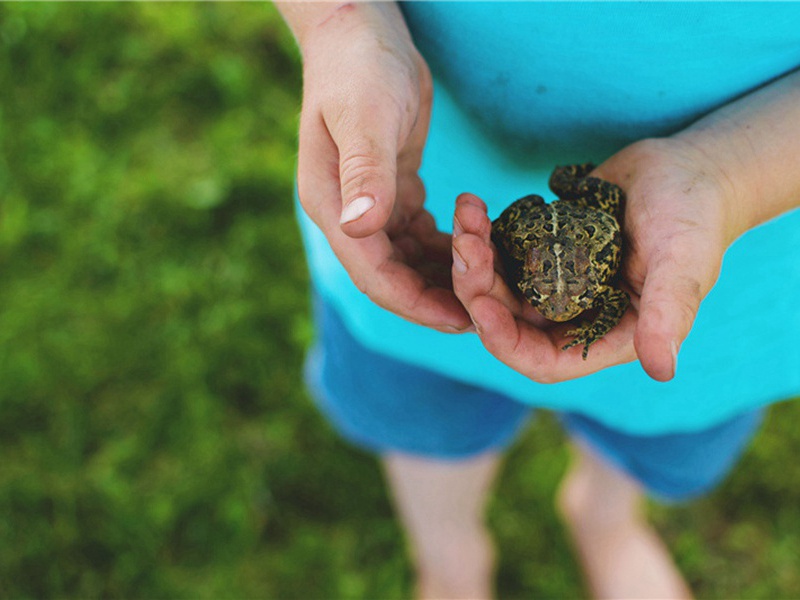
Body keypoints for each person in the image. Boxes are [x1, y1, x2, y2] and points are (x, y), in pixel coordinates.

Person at [276, 2, 800, 598]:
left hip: (727, 268)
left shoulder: (601, 292)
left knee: (657, 421)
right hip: (432, 176)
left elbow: (601, 298)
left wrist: (727, 176)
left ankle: (606, 521)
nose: (557, 304)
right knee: (424, 416)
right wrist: (340, 20)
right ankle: (450, 559)